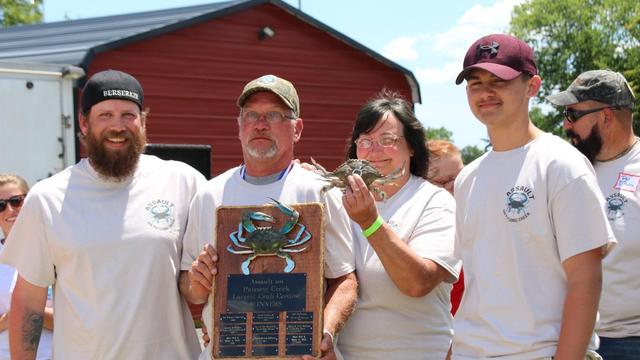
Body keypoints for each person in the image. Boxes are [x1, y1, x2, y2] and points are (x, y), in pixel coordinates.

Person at [0, 70, 205, 359]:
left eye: (128, 115)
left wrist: (290, 180)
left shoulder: (183, 182)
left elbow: (231, 234)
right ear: (84, 123)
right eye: (105, 115)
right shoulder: (49, 198)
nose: (117, 126)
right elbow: (29, 303)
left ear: (143, 121)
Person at [452, 34, 616, 359]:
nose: (485, 92)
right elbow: (476, 282)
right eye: (475, 82)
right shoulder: (467, 177)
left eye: (499, 80)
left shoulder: (561, 164)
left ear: (533, 86)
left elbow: (586, 279)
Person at [179, 74, 357, 360]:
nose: (260, 124)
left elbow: (344, 280)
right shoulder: (209, 195)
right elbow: (191, 288)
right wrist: (197, 283)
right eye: (251, 115)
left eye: (274, 115)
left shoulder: (319, 192)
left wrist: (326, 332)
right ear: (239, 127)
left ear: (297, 129)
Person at [333, 91, 459, 359]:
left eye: (387, 140)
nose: (374, 150)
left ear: (412, 146)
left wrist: (370, 222)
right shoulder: (335, 200)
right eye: (365, 140)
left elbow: (418, 282)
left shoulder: (435, 202)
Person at [547, 69, 639, 359]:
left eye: (573, 114)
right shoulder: (566, 169)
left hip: (630, 342)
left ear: (606, 117)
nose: (565, 124)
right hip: (569, 340)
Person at [0, 175, 53, 360]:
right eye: (0, 205)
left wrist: (26, 312)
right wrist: (6, 320)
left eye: (16, 201)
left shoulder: (57, 252)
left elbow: (78, 318)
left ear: (29, 201)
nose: (10, 210)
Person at [427, 140, 465, 316]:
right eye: (445, 181)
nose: (455, 185)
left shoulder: (477, 213)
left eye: (460, 177)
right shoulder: (427, 228)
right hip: (442, 325)